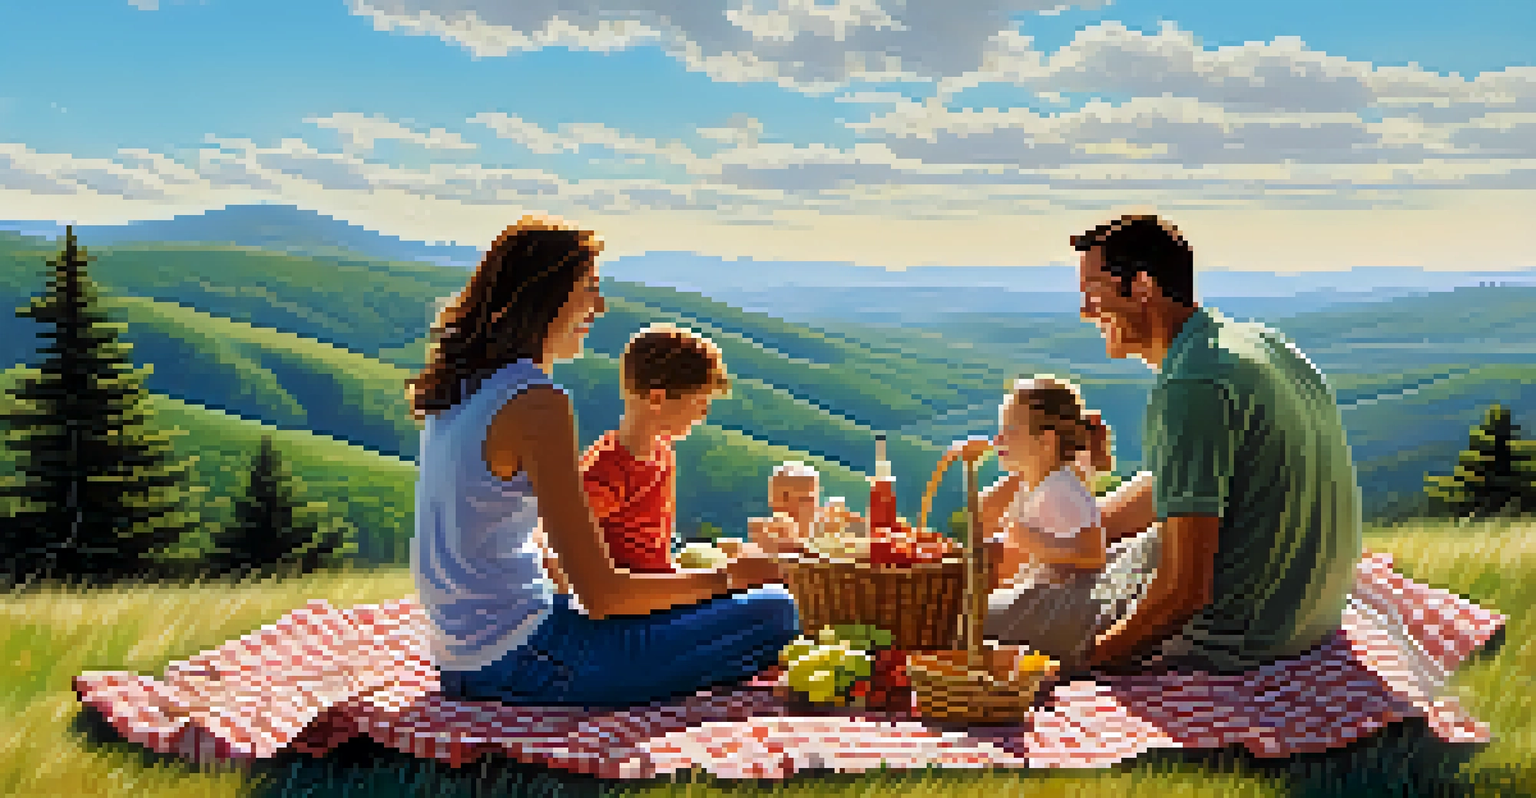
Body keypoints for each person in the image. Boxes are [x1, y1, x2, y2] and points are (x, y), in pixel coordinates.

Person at [406, 216, 796, 708]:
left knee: (694, 607)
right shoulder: (535, 402)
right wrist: (731, 579)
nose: (600, 306)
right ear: (546, 295)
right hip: (531, 661)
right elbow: (603, 596)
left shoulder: (461, 386)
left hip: (464, 657)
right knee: (776, 611)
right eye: (589, 289)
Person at [985, 213, 1363, 676]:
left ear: (1142, 287)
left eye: (1094, 292)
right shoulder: (1259, 345)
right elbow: (1186, 483)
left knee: (961, 619)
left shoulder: (1192, 384)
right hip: (1307, 614)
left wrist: (1095, 662)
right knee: (1040, 576)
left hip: (1237, 632)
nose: (1085, 311)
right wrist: (1078, 521)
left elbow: (1182, 594)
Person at [979, 376, 1118, 673]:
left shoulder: (1059, 490)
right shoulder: (1045, 484)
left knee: (963, 624)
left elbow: (1093, 553)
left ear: (1046, 441)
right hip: (1045, 601)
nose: (998, 441)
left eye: (1010, 430)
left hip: (1057, 608)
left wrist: (1029, 540)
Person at [577, 324, 730, 573]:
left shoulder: (661, 452)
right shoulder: (605, 471)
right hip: (635, 603)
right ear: (657, 399)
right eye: (701, 401)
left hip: (658, 587)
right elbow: (560, 546)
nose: (704, 413)